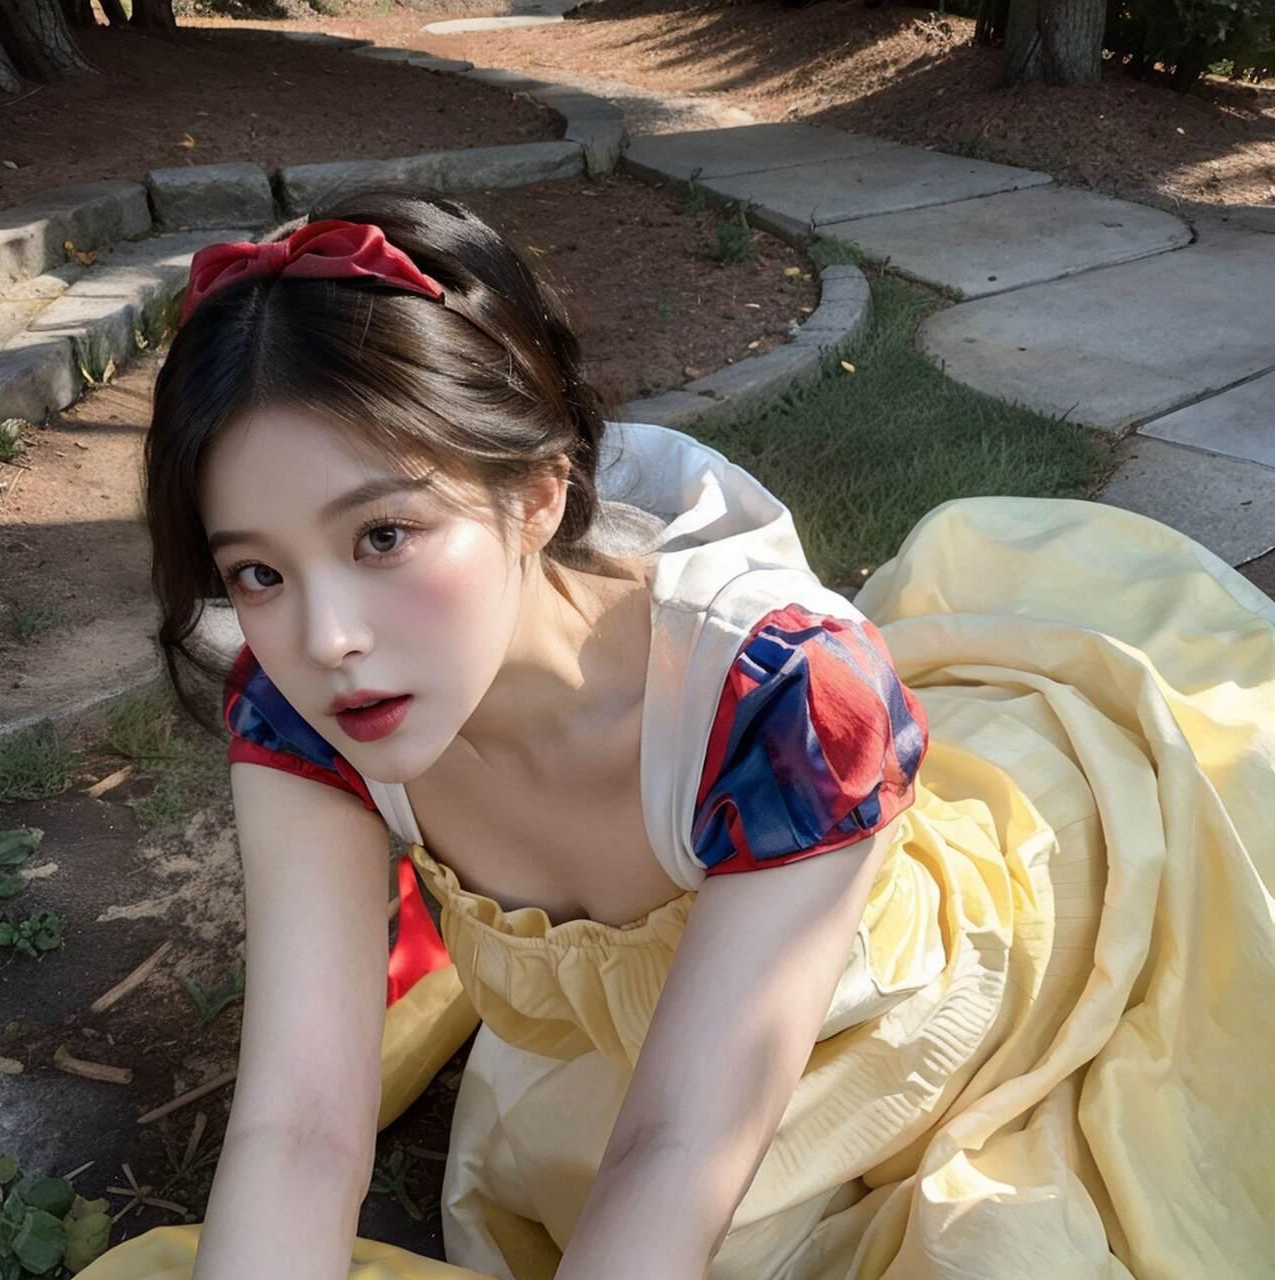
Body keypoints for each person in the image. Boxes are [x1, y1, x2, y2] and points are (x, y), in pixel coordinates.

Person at [77, 191, 1275, 1280]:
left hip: (920, 1030)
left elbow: (675, 1145)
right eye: (258, 570)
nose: (327, 635)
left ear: (535, 495)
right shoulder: (302, 705)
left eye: (381, 536)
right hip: (658, 1085)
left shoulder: (780, 705)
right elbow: (297, 1125)